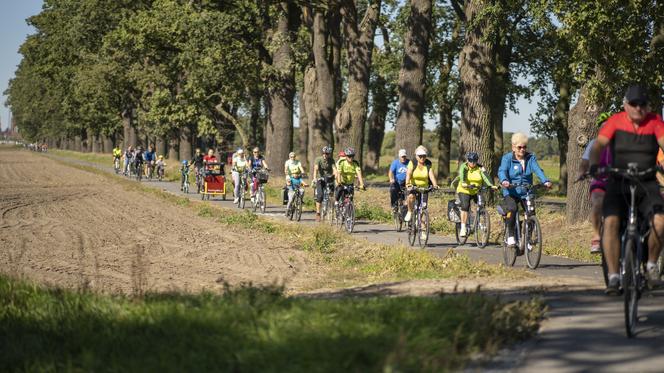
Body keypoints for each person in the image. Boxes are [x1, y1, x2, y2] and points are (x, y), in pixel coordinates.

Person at [589, 85, 664, 294]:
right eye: (633, 104)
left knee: (660, 221)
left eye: (642, 104)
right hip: (618, 180)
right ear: (625, 105)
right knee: (611, 221)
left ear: (648, 106)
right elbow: (598, 146)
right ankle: (613, 276)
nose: (638, 108)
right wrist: (595, 165)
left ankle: (650, 265)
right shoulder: (615, 121)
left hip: (646, 182)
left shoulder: (656, 123)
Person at [498, 132, 553, 251]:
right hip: (511, 191)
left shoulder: (530, 158)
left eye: (524, 147)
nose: (522, 149)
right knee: (512, 209)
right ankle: (511, 236)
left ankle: (526, 238)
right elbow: (502, 171)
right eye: (519, 147)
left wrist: (545, 181)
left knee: (531, 214)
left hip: (526, 191)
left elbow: (537, 170)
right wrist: (504, 181)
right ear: (513, 147)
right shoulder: (507, 158)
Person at [578, 112, 612, 254]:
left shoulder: (620, 143)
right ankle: (597, 237)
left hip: (618, 181)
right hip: (600, 181)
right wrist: (582, 172)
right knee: (598, 203)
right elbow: (584, 162)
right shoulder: (593, 143)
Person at [456, 152, 496, 237]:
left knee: (481, 204)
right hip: (464, 189)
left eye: (474, 161)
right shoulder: (464, 166)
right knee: (465, 206)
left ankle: (481, 222)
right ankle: (463, 228)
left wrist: (491, 185)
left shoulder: (480, 168)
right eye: (470, 160)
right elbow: (462, 175)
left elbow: (485, 176)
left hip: (476, 190)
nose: (472, 163)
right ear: (468, 160)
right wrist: (463, 183)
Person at [404, 146, 439, 241]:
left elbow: (431, 175)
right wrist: (407, 183)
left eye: (424, 156)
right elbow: (408, 173)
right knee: (411, 196)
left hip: (424, 188)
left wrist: (435, 185)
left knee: (423, 209)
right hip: (414, 186)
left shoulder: (428, 164)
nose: (422, 158)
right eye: (420, 156)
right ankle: (410, 211)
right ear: (416, 156)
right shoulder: (413, 163)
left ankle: (423, 231)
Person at [312, 146, 337, 221]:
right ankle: (318, 213)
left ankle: (331, 209)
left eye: (326, 154)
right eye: (323, 153)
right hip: (320, 179)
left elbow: (334, 169)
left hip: (329, 179)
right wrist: (314, 178)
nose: (325, 155)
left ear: (329, 154)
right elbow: (316, 169)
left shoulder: (331, 160)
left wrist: (336, 175)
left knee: (331, 194)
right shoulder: (318, 159)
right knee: (320, 196)